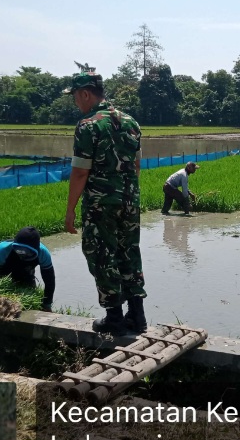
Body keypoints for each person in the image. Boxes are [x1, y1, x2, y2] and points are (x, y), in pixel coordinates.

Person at [63, 70, 147, 335]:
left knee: (101, 253)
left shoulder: (87, 125)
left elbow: (79, 172)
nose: (76, 102)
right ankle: (137, 316)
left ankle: (114, 318)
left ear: (86, 94)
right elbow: (136, 165)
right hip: (129, 201)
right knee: (129, 251)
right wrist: (127, 195)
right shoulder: (131, 122)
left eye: (76, 97)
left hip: (102, 203)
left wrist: (70, 211)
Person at [0, 226, 55, 311]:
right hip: (4, 277)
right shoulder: (1, 251)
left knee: (29, 304)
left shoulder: (43, 253)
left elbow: (50, 281)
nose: (22, 254)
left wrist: (47, 304)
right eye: (19, 250)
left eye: (27, 252)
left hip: (27, 275)